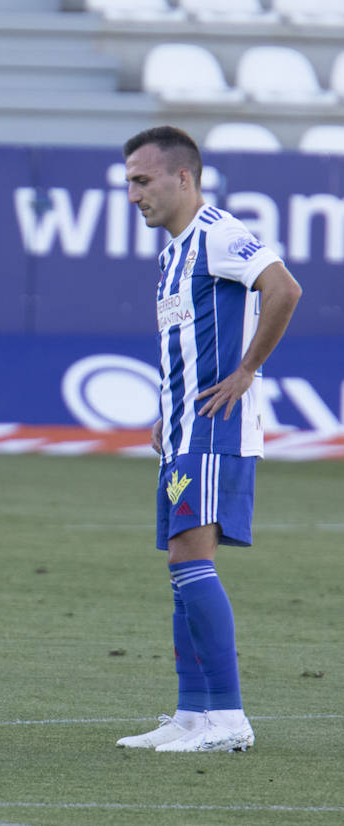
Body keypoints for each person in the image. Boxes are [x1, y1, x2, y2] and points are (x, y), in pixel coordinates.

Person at [116, 126, 301, 753]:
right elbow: (187, 346)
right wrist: (163, 415)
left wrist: (247, 371)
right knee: (180, 567)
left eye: (142, 181)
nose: (133, 194)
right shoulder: (172, 253)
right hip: (182, 430)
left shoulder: (218, 234)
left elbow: (284, 288)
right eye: (129, 183)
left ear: (183, 178)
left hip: (217, 429)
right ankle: (192, 714)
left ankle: (229, 717)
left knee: (193, 561)